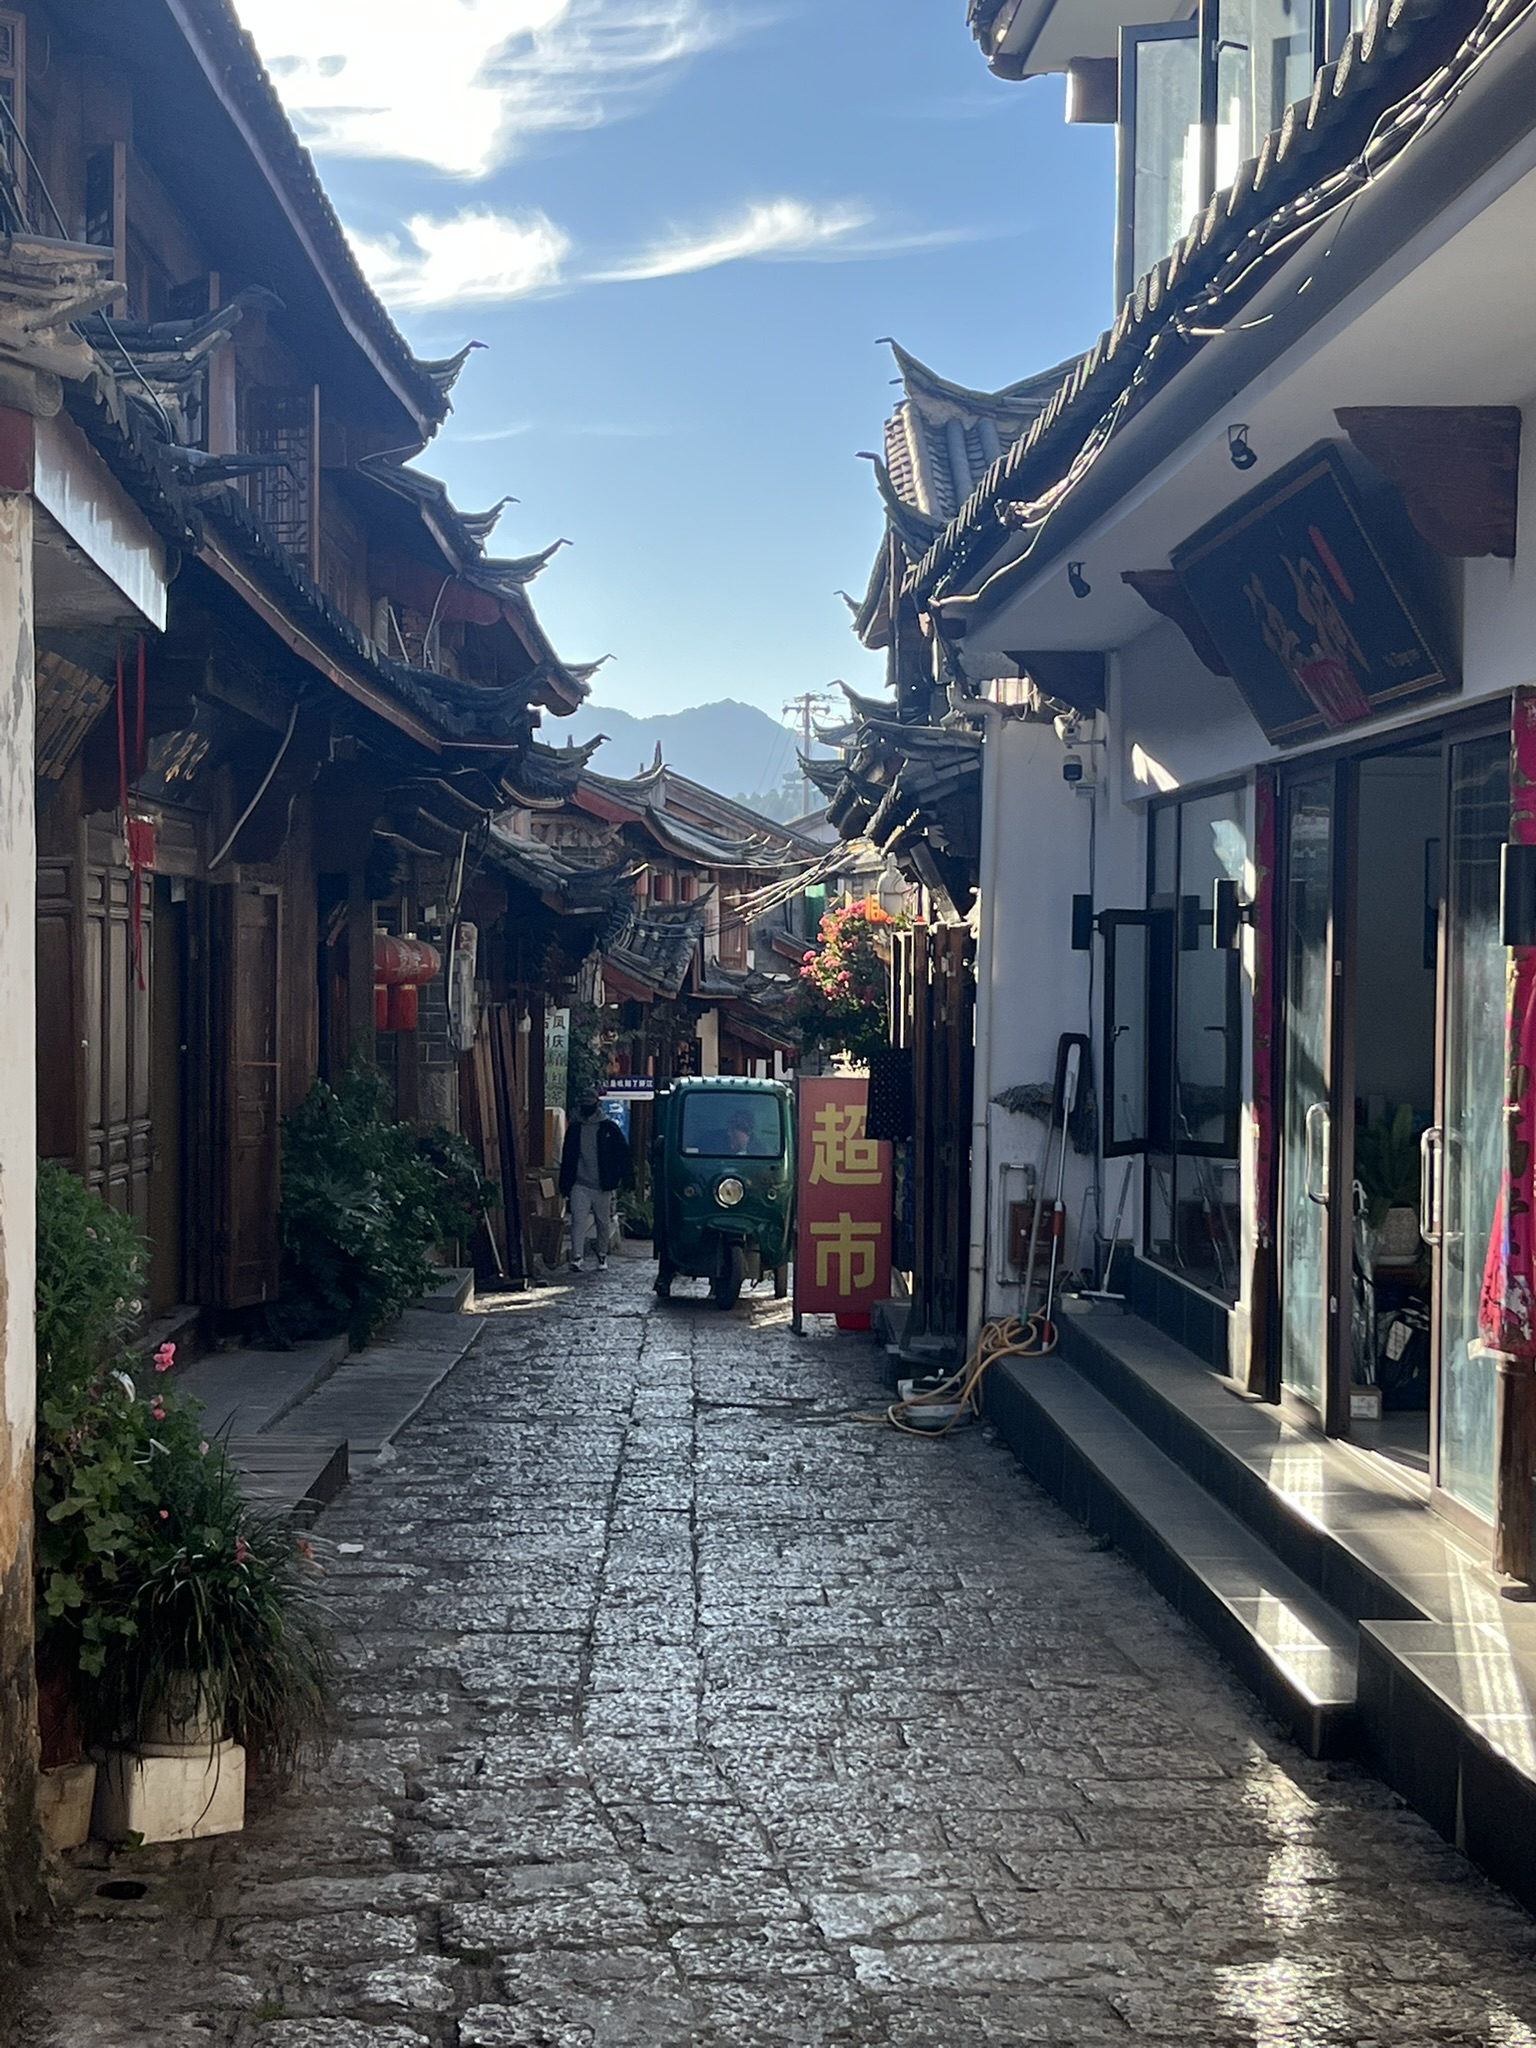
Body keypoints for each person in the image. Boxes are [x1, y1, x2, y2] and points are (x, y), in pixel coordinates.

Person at [559, 1091, 632, 1273]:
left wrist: (625, 1177)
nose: (586, 1107)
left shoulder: (609, 1128)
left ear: (597, 1104)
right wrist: (565, 1183)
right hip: (579, 1183)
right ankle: (577, 1256)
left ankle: (602, 1254)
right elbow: (567, 1157)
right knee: (578, 1221)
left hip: (602, 1184)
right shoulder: (575, 1128)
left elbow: (622, 1154)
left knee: (602, 1222)